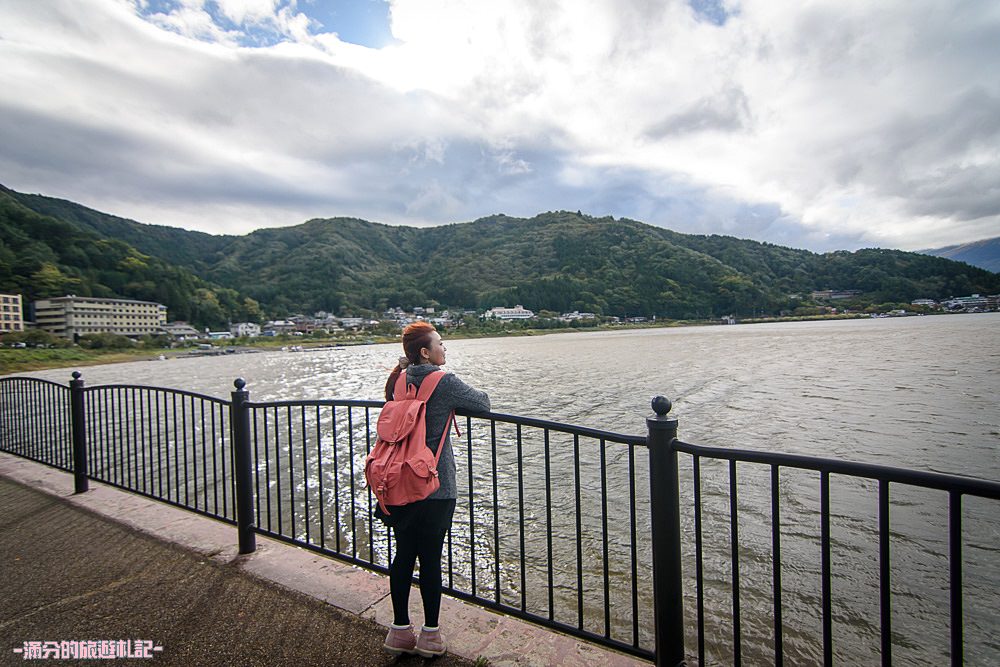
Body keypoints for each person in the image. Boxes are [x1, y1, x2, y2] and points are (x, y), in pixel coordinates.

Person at [381, 321, 491, 658]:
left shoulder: (397, 380)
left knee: (403, 555)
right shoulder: (444, 381)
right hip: (434, 485)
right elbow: (484, 403)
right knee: (429, 560)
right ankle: (430, 636)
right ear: (426, 352)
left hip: (397, 481)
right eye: (441, 344)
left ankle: (399, 631)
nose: (446, 349)